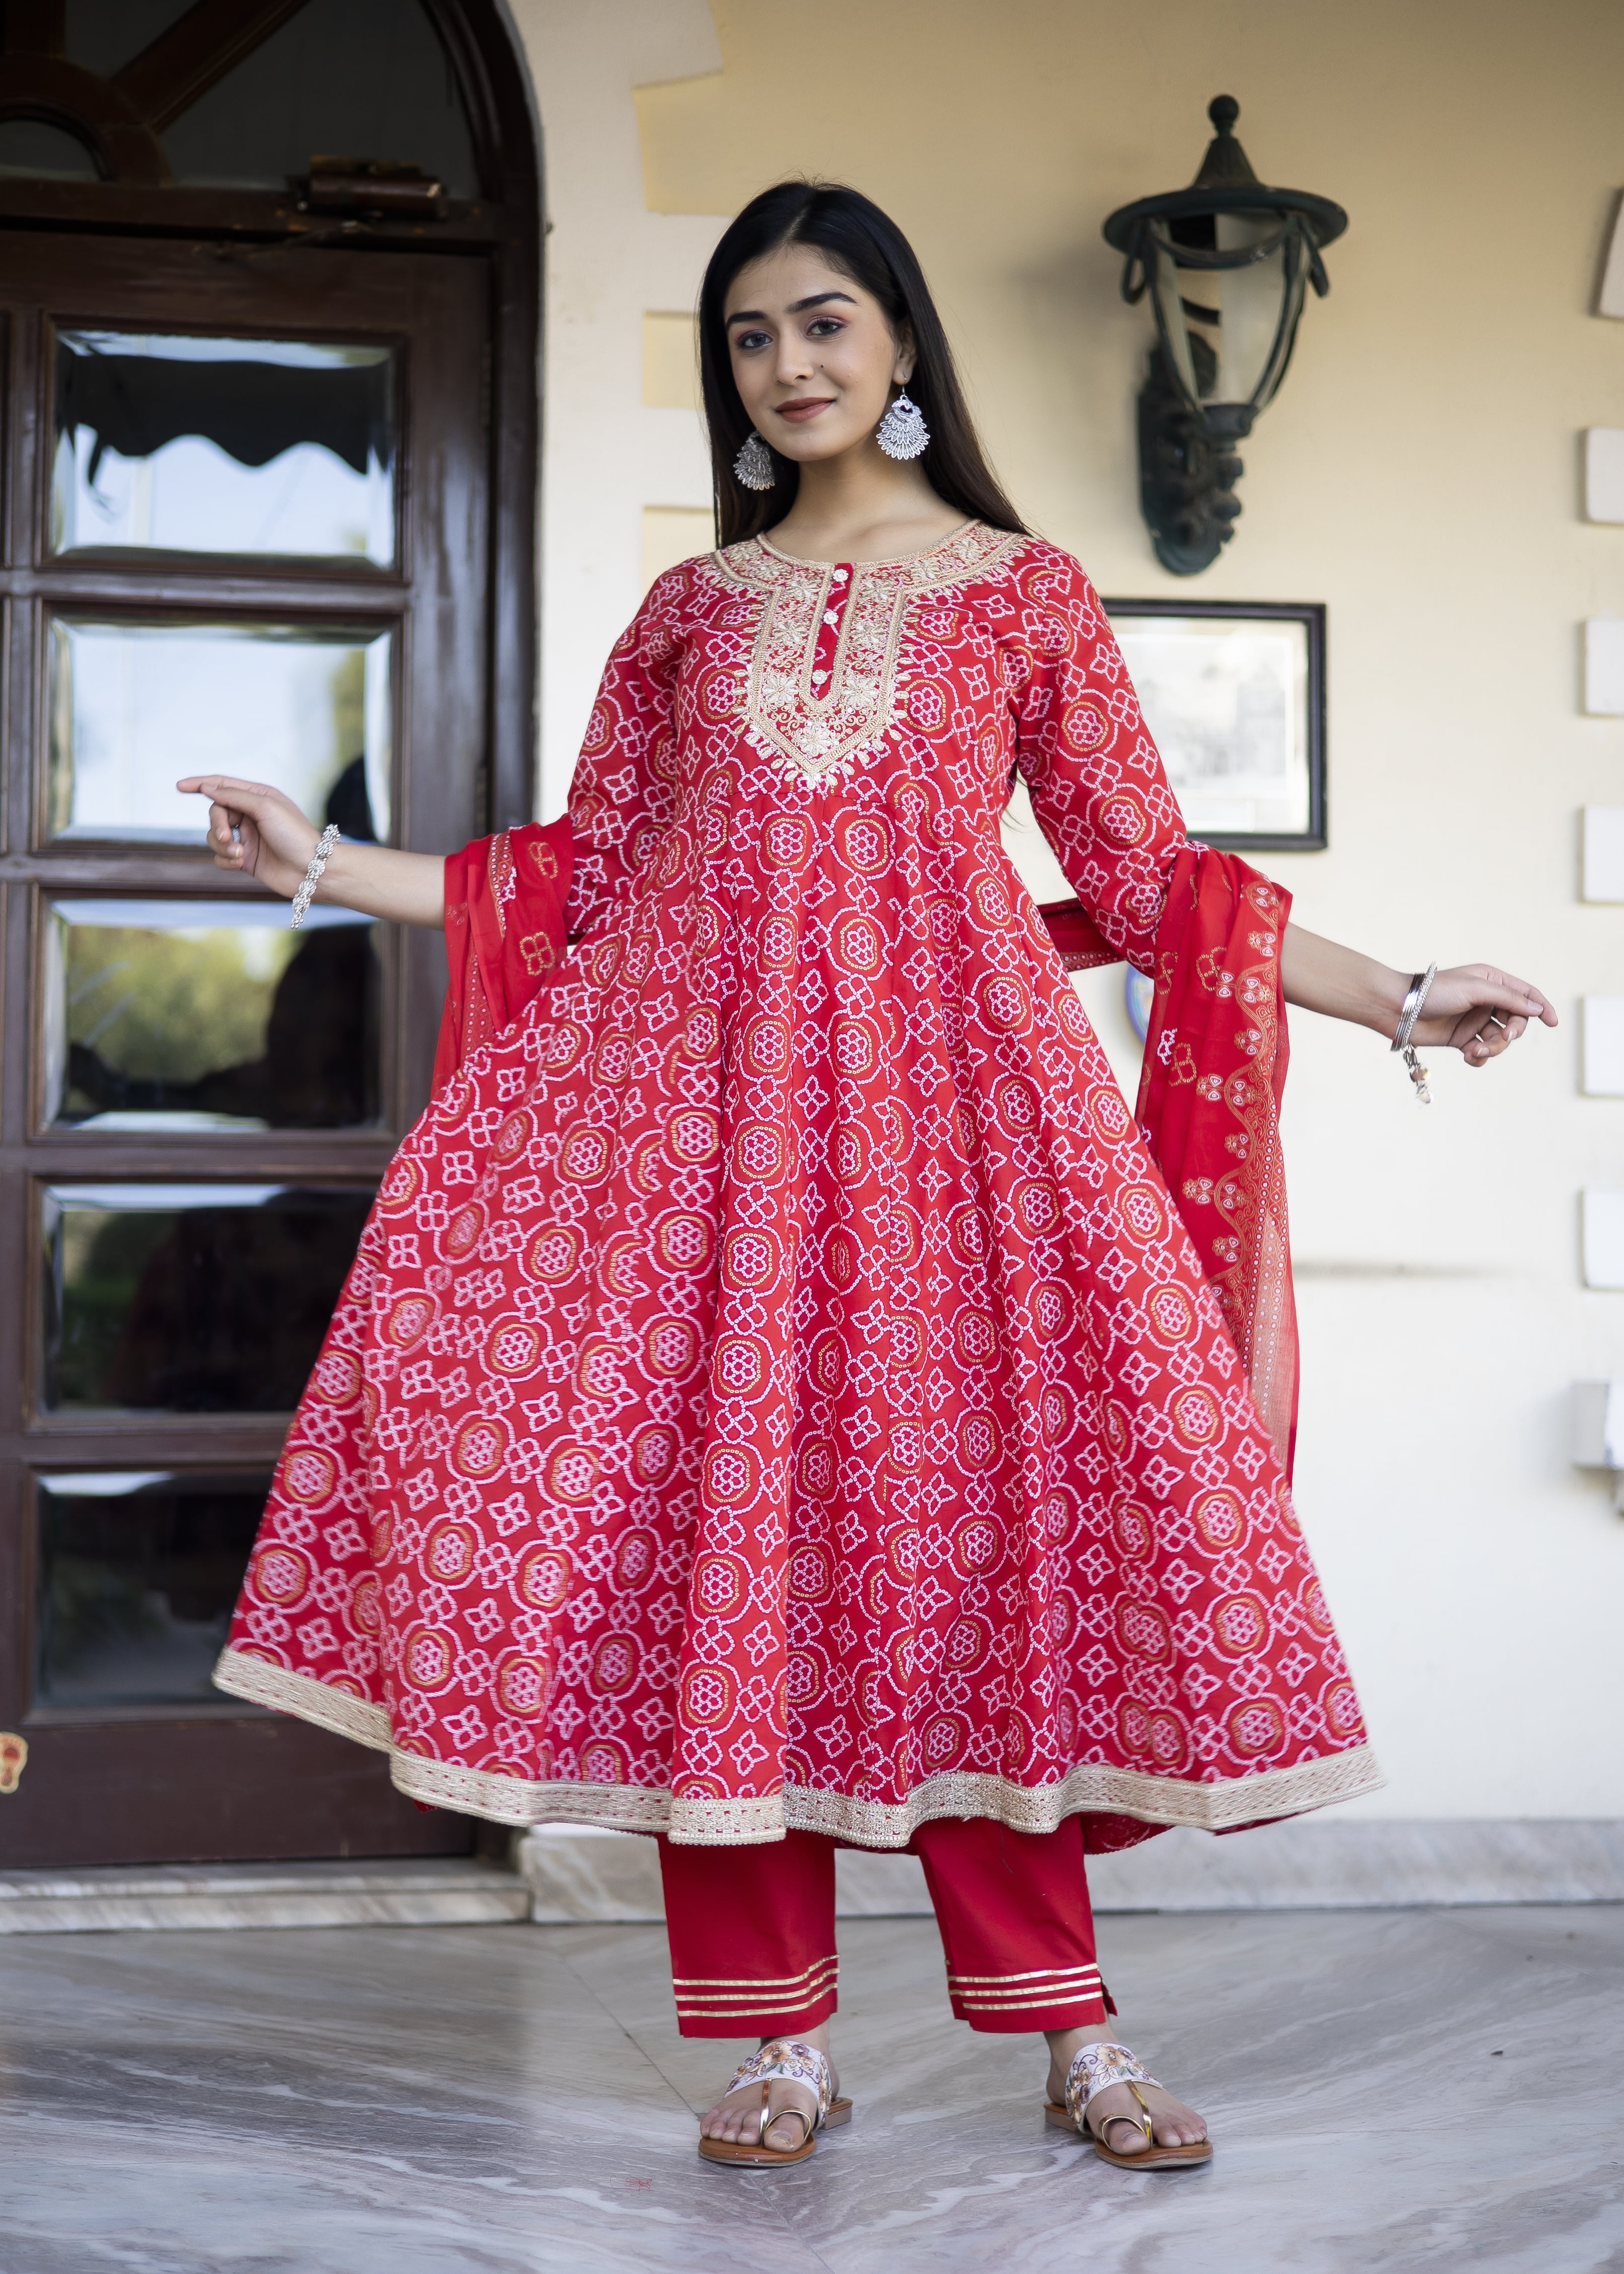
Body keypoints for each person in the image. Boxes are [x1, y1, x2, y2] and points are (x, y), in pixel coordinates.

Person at [180, 180, 1554, 2174]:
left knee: (987, 1563)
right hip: (701, 1152)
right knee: (726, 1573)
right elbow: (581, 875)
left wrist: (1404, 995)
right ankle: (778, 2040)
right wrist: (319, 859)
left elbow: (1159, 883)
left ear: (902, 342)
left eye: (824, 321)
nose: (790, 362)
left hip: (963, 1154)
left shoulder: (1023, 593)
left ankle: (1075, 2031)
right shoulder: (686, 614)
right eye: (751, 335)